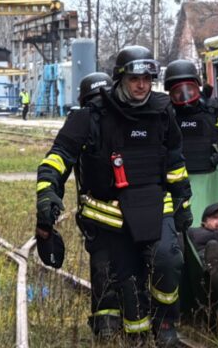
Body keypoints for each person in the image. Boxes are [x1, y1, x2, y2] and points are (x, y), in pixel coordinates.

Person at [35, 46, 192, 347]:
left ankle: (166, 322)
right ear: (120, 79)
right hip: (110, 217)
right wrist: (47, 195)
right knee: (130, 291)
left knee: (168, 260)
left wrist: (183, 204)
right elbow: (57, 159)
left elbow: (174, 163)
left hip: (155, 208)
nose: (142, 85)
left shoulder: (162, 113)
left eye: (147, 78)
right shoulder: (90, 117)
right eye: (135, 78)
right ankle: (137, 338)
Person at [71, 72, 122, 339]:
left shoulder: (84, 123)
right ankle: (114, 323)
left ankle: (107, 325)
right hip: (117, 210)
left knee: (103, 265)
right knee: (117, 265)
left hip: (100, 212)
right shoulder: (117, 120)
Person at [163, 59, 218, 176]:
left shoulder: (217, 112)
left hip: (215, 185)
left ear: (197, 87)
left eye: (189, 88)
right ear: (170, 93)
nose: (185, 94)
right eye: (178, 91)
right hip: (176, 188)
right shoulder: (164, 118)